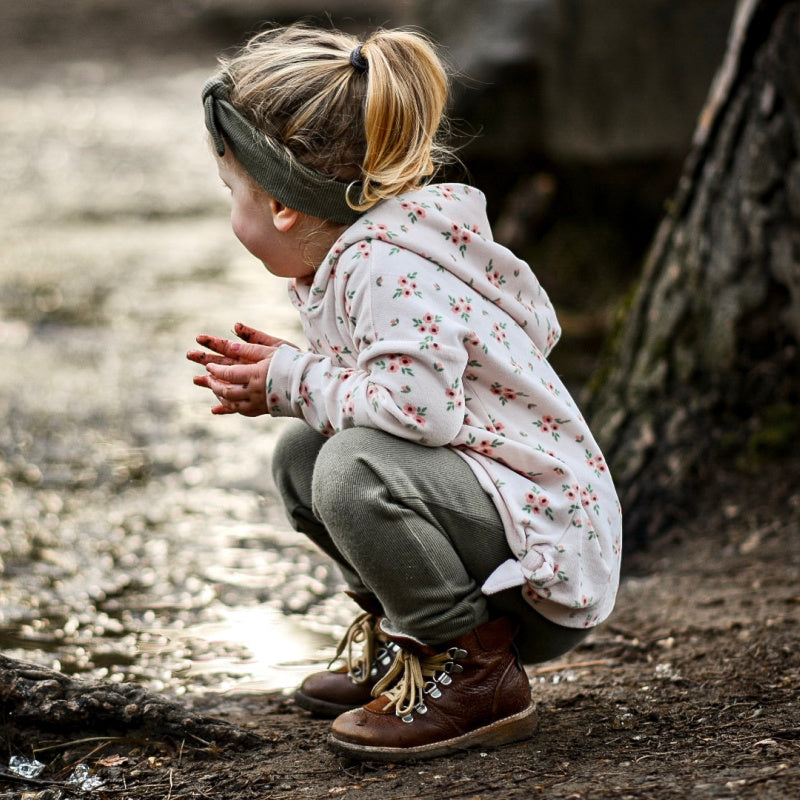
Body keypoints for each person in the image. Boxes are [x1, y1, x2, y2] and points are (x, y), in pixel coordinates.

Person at [188, 23, 622, 762]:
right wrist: (295, 391)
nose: (232, 213)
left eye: (235, 193)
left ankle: (476, 671)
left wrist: (292, 378)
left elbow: (419, 411)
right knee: (303, 453)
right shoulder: (369, 250)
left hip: (544, 558)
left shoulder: (383, 266)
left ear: (285, 208)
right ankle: (411, 645)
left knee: (349, 467)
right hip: (500, 512)